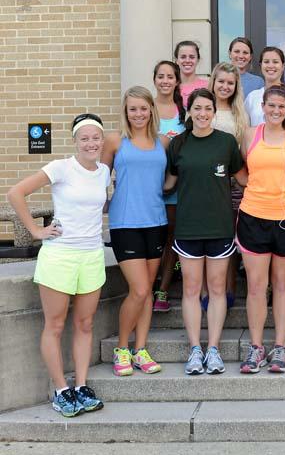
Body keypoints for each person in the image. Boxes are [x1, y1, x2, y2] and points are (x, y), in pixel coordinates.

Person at [8, 113, 110, 416]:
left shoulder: (103, 171)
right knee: (54, 325)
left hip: (91, 255)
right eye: (84, 138)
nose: (91, 143)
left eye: (95, 138)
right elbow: (16, 193)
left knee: (85, 323)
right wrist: (37, 231)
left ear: (102, 140)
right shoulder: (61, 168)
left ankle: (80, 386)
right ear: (75, 141)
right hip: (60, 256)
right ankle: (61, 390)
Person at [164, 88, 246, 375]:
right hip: (188, 227)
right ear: (189, 111)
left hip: (220, 226)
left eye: (207, 109)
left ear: (214, 111)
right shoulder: (178, 145)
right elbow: (167, 184)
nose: (202, 114)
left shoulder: (226, 143)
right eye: (197, 108)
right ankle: (195, 349)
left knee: (217, 288)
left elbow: (244, 179)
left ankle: (213, 349)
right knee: (190, 288)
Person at [237, 85, 285, 373]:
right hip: (254, 215)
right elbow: (241, 172)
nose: (276, 111)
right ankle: (256, 348)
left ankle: (280, 347)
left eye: (282, 106)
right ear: (263, 106)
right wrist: (259, 190)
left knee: (282, 284)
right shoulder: (249, 134)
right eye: (271, 106)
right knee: (257, 286)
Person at [103, 87, 169, 377]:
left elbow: (168, 182)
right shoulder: (116, 141)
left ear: (151, 110)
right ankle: (122, 348)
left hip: (155, 220)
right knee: (139, 289)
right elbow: (98, 180)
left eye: (143, 108)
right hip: (125, 222)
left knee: (148, 291)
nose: (138, 114)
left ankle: (140, 349)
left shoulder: (163, 142)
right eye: (133, 109)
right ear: (125, 111)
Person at [209, 62, 250, 308]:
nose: (225, 86)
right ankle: (209, 290)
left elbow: (243, 152)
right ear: (213, 82)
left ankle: (230, 288)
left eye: (230, 83)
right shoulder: (203, 109)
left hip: (232, 184)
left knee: (230, 235)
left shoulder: (240, 115)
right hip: (206, 186)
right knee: (210, 236)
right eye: (221, 81)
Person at [152, 60, 186, 312]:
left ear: (177, 81)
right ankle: (148, 286)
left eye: (170, 76)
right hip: (149, 184)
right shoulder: (145, 108)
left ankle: (162, 290)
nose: (165, 81)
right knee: (154, 237)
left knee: (172, 238)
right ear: (154, 79)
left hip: (177, 183)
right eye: (160, 76)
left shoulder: (182, 110)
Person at [244, 47, 285, 126]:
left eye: (275, 62)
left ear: (282, 66)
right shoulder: (252, 97)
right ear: (261, 66)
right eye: (266, 62)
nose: (271, 66)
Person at [174, 40, 209, 105]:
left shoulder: (208, 86)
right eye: (183, 57)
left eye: (192, 57)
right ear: (176, 60)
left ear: (198, 60)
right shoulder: (171, 86)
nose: (187, 60)